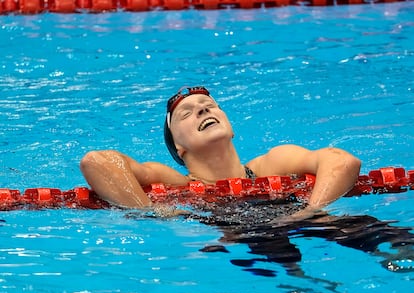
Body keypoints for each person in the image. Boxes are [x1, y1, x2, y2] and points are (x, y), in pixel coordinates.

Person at [80, 86, 361, 218]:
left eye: (209, 105)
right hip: (238, 245)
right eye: (187, 113)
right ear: (179, 147)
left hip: (310, 222)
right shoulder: (178, 184)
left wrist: (311, 211)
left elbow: (343, 161)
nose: (203, 109)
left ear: (230, 126)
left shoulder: (272, 164)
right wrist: (150, 211)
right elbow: (97, 162)